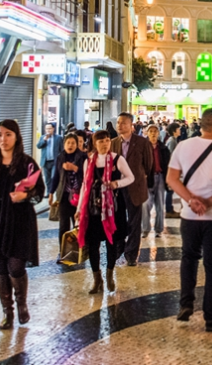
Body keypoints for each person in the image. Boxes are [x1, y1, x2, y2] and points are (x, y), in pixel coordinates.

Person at [167, 107, 212, 332]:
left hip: (189, 217)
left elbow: (172, 179)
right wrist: (208, 203)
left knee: (188, 258)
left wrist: (192, 200)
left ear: (201, 125)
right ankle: (211, 316)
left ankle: (186, 304)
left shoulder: (183, 146)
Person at [0, 119, 46, 330]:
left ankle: (21, 304)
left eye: (8, 135)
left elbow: (40, 192)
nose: (3, 139)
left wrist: (25, 195)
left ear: (16, 137)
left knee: (16, 266)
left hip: (20, 222)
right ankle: (7, 313)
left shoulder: (27, 163)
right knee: (1, 268)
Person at [76, 130, 135, 293]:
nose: (105, 143)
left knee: (112, 243)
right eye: (101, 141)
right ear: (95, 143)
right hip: (93, 208)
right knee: (93, 244)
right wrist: (80, 208)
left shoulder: (117, 159)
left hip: (112, 209)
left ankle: (109, 275)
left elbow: (131, 177)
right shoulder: (89, 161)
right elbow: (84, 186)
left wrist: (117, 183)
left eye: (107, 140)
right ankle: (97, 279)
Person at [112, 112, 153, 266]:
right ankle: (119, 246)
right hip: (118, 187)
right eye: (118, 122)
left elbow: (148, 166)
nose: (120, 125)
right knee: (119, 219)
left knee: (135, 221)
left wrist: (140, 178)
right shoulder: (113, 143)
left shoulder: (142, 143)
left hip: (135, 187)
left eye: (123, 123)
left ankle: (131, 253)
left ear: (132, 126)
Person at [49, 132, 87, 263]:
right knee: (63, 226)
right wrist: (51, 193)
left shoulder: (83, 157)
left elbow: (88, 175)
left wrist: (75, 168)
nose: (70, 145)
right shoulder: (60, 157)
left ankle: (79, 251)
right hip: (65, 197)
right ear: (64, 144)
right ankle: (63, 252)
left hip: (79, 197)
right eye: (68, 143)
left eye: (73, 143)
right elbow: (56, 176)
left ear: (77, 144)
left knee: (79, 225)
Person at [144, 124, 171, 236]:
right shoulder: (143, 147)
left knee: (160, 203)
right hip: (147, 178)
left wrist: (168, 179)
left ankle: (159, 229)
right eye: (151, 131)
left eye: (155, 131)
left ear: (158, 133)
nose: (153, 133)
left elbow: (168, 164)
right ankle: (145, 229)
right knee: (145, 204)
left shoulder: (163, 148)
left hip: (160, 176)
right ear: (147, 133)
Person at [165, 122, 182, 218]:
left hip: (171, 168)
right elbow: (171, 156)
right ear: (174, 131)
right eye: (178, 129)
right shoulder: (172, 141)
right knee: (170, 190)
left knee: (171, 190)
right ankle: (169, 209)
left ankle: (169, 208)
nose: (180, 131)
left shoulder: (173, 140)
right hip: (170, 168)